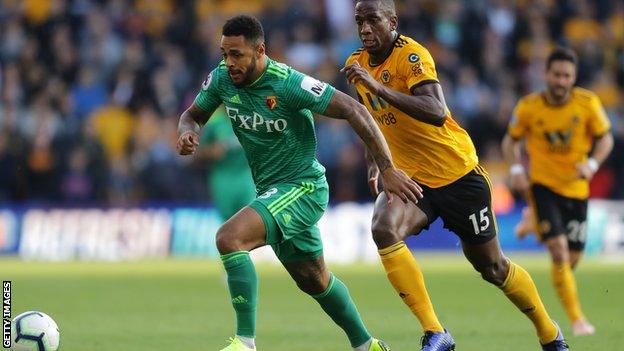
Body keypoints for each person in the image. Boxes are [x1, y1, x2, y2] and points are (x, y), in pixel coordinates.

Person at [177, 15, 422, 351]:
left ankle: (244, 343)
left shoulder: (288, 83)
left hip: (303, 187)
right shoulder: (221, 79)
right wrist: (187, 132)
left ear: (260, 50)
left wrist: (387, 167)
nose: (229, 62)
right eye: (224, 54)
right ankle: (368, 345)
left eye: (237, 55)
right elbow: (192, 115)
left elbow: (355, 109)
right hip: (272, 192)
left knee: (229, 238)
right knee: (314, 279)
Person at [341, 1, 569, 350]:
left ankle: (549, 333)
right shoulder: (355, 63)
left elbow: (436, 110)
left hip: (457, 175)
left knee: (493, 268)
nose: (365, 28)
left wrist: (379, 87)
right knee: (383, 228)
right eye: (360, 21)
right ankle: (436, 332)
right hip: (412, 178)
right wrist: (376, 161)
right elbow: (370, 118)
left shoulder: (412, 56)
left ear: (392, 22)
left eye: (373, 20)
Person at [502, 47, 613, 337]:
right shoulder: (529, 107)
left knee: (571, 261)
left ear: (574, 77)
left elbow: (606, 139)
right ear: (546, 75)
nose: (561, 81)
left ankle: (533, 222)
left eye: (567, 76)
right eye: (556, 75)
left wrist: (592, 163)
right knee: (559, 252)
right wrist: (515, 169)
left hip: (577, 190)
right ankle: (577, 321)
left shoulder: (588, 103)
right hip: (543, 185)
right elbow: (510, 141)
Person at [200, 106, 256, 221]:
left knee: (251, 217)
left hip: (246, 174)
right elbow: (199, 152)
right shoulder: (214, 123)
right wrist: (212, 151)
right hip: (223, 177)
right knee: (228, 221)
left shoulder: (252, 119)